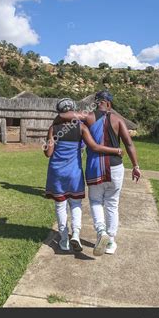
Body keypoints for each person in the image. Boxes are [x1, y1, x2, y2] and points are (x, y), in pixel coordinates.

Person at [57, 91, 141, 256]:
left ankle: (101, 231)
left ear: (97, 103)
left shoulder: (88, 117)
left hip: (94, 167)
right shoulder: (118, 121)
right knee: (112, 203)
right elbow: (129, 144)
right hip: (116, 167)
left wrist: (63, 115)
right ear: (109, 103)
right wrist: (135, 166)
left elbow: (65, 115)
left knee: (95, 201)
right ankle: (110, 240)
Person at [44, 98, 123, 252]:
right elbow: (94, 146)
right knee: (75, 204)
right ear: (73, 110)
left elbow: (48, 153)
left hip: (57, 172)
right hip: (74, 172)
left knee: (60, 205)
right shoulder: (81, 128)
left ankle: (64, 239)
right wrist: (115, 150)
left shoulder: (53, 129)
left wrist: (47, 142)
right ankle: (76, 233)